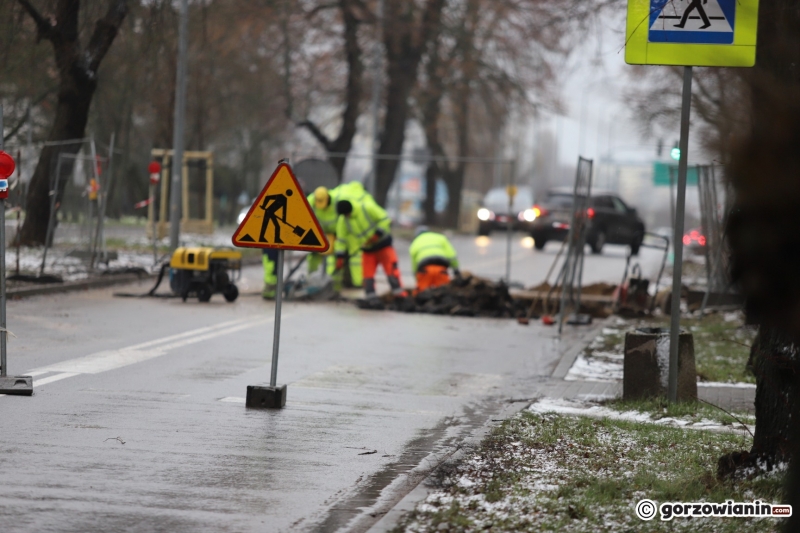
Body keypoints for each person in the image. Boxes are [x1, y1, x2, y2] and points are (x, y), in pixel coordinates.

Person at [334, 197, 405, 299]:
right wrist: (340, 256)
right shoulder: (343, 220)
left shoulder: (366, 208)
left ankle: (400, 296)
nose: (347, 216)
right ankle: (371, 298)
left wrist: (377, 234)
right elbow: (341, 240)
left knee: (392, 272)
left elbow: (385, 218)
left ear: (350, 210)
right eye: (345, 215)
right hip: (367, 250)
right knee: (367, 277)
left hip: (383, 245)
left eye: (347, 214)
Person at [409, 226, 460, 293]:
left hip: (425, 270)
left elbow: (414, 265)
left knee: (421, 294)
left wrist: (417, 277)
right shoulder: (441, 237)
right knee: (445, 293)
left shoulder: (414, 243)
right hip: (441, 269)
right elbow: (452, 255)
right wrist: (456, 270)